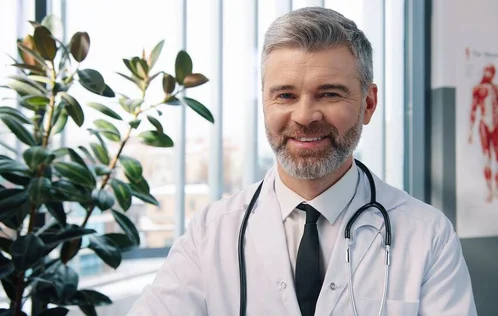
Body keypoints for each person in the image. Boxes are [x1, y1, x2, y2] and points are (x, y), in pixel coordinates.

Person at [128, 7, 477, 316]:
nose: (305, 115)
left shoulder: (428, 235)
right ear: (265, 102)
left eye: (329, 93)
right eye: (285, 95)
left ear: (368, 104)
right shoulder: (212, 232)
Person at [468, 64, 498, 203]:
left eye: (491, 73)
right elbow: (473, 109)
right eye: (487, 73)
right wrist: (470, 131)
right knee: (487, 157)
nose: (488, 76)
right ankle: (490, 190)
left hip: (496, 126)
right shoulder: (478, 89)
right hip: (484, 125)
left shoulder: (495, 89)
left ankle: (497, 190)